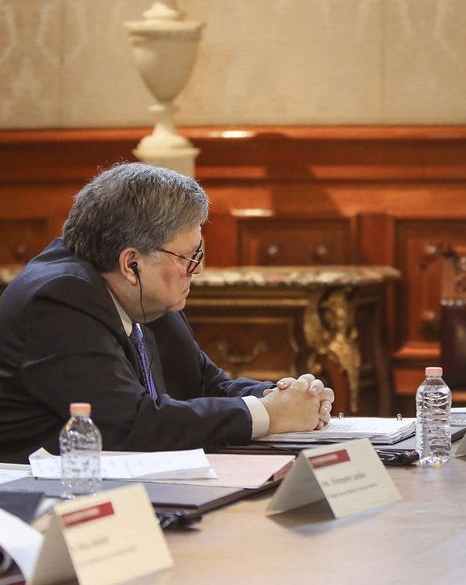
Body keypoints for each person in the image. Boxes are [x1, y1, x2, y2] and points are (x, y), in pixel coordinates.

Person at [0, 163, 335, 463]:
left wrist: (287, 397)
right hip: (38, 495)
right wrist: (267, 414)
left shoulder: (144, 295)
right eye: (189, 257)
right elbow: (131, 424)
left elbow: (206, 385)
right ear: (131, 264)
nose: (198, 268)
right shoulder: (58, 299)